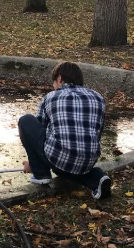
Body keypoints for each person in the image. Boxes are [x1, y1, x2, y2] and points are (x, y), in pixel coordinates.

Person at [18, 61, 112, 200]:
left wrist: (33, 163)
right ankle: (98, 178)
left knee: (25, 121)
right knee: (72, 166)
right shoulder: (98, 98)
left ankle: (41, 175)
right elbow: (97, 132)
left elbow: (40, 132)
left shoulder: (50, 97)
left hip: (59, 159)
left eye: (54, 83)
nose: (54, 87)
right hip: (88, 161)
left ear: (60, 79)